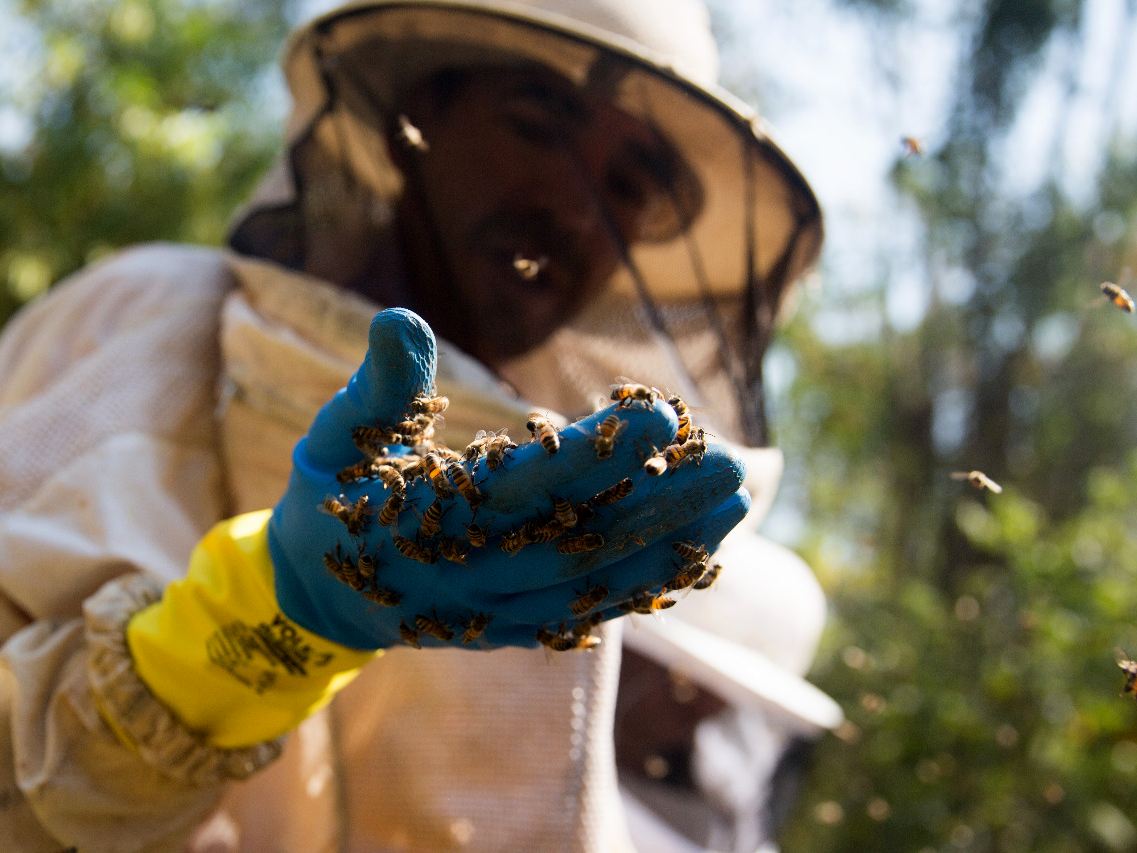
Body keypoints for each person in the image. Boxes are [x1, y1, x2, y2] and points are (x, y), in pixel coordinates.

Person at [0, 0, 836, 850]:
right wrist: (268, 615)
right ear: (423, 110)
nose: (576, 210)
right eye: (536, 125)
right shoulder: (154, 314)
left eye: (626, 185)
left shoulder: (563, 480)